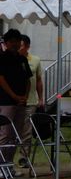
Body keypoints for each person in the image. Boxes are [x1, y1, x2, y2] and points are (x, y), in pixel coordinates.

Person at [0, 29, 32, 177]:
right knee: (5, 134)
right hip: (6, 102)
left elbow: (28, 80)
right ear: (6, 43)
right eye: (11, 41)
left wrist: (24, 96)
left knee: (15, 135)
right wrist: (13, 95)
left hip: (21, 102)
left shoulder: (22, 60)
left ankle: (9, 165)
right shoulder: (2, 58)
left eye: (17, 41)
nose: (15, 44)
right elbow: (1, 80)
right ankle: (1, 165)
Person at [17, 34, 44, 169]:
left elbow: (39, 80)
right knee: (11, 130)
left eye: (21, 45)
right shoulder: (12, 59)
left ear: (27, 46)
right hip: (14, 100)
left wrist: (41, 98)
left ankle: (23, 157)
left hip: (31, 100)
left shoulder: (35, 60)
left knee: (27, 131)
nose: (18, 48)